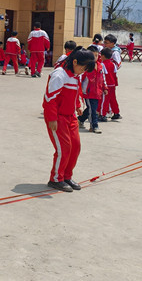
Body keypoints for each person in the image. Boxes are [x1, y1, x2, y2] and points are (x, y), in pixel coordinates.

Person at [43, 47, 96, 192]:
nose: (83, 72)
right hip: (57, 117)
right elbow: (49, 99)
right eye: (83, 68)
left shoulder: (76, 75)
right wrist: (52, 119)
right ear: (75, 62)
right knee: (64, 148)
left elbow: (75, 92)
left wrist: (77, 105)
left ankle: (66, 176)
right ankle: (55, 179)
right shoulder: (59, 75)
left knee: (75, 146)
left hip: (70, 116)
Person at [80, 46, 105, 133]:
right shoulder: (85, 67)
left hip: (97, 92)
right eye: (92, 55)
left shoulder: (100, 66)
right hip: (88, 93)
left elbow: (103, 78)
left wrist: (105, 87)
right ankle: (94, 126)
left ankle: (80, 119)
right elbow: (80, 79)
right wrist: (79, 91)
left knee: (91, 109)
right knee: (92, 110)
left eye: (96, 55)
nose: (94, 57)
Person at [100, 47, 121, 121]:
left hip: (107, 85)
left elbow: (102, 76)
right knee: (113, 99)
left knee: (105, 100)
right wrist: (115, 84)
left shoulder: (102, 64)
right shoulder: (113, 64)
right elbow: (115, 75)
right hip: (112, 84)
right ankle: (116, 113)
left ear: (103, 56)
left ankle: (103, 114)